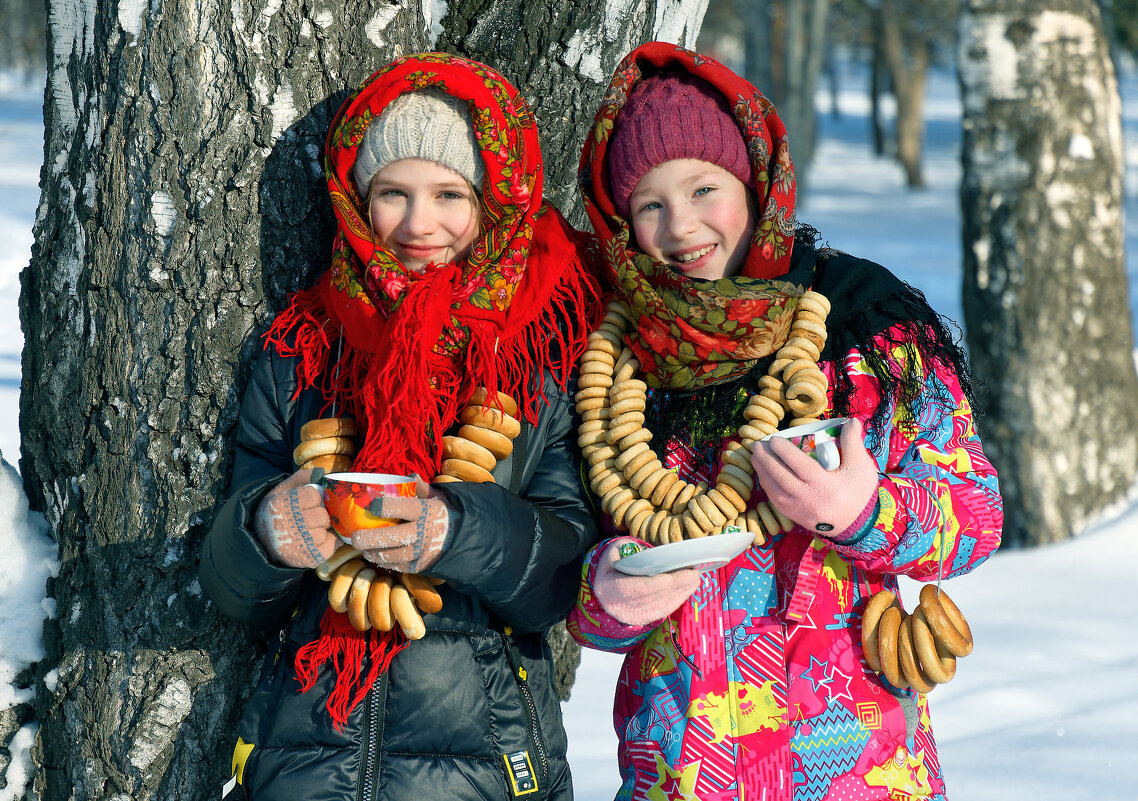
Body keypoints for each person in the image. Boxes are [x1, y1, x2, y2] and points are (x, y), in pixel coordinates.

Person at [565, 42, 1003, 800]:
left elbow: (978, 512)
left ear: (754, 183)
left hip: (857, 774)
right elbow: (573, 579)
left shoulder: (865, 329)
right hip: (682, 776)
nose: (681, 226)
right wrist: (606, 599)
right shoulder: (614, 366)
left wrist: (866, 511)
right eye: (650, 204)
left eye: (705, 188)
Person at [200, 52, 601, 800]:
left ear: (492, 201)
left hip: (486, 765)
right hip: (303, 757)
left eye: (450, 193)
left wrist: (457, 532)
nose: (419, 225)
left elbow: (562, 574)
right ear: (355, 200)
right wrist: (265, 533)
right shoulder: (304, 353)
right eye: (392, 193)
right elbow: (233, 586)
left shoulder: (541, 355)